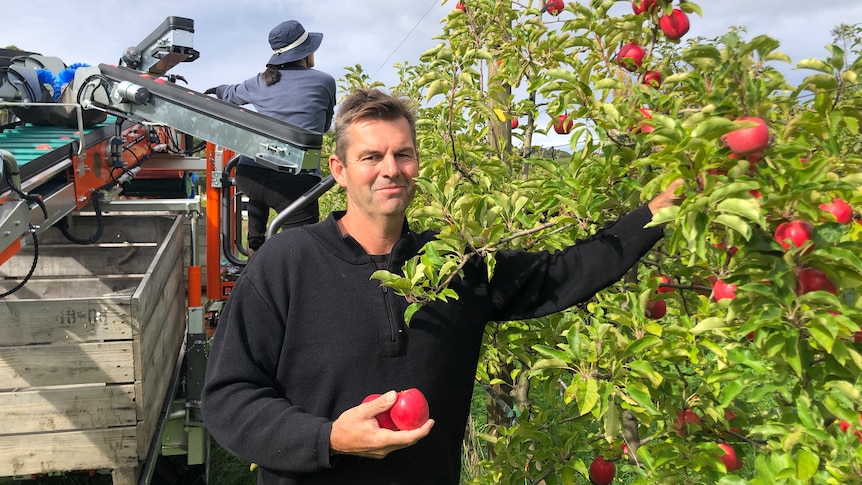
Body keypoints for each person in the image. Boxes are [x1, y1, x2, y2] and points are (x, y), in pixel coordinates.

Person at [201, 88, 684, 484]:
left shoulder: (455, 266)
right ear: (339, 170)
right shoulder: (286, 263)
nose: (391, 168)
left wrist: (660, 210)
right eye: (371, 156)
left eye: (403, 154)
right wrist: (327, 438)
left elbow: (565, 274)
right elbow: (228, 398)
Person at [205, 20, 336, 254]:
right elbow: (324, 126)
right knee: (304, 248)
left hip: (250, 174)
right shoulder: (324, 81)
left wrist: (216, 89)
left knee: (262, 185)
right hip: (293, 182)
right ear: (306, 53)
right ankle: (288, 276)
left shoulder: (261, 80)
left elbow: (228, 93)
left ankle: (255, 250)